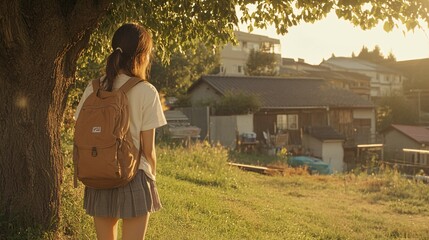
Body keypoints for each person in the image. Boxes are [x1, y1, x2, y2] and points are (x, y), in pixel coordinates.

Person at [74, 23, 167, 240]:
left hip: (99, 173)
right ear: (142, 55)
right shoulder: (146, 91)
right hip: (134, 174)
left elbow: (81, 127)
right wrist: (151, 173)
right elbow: (148, 149)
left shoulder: (94, 87)